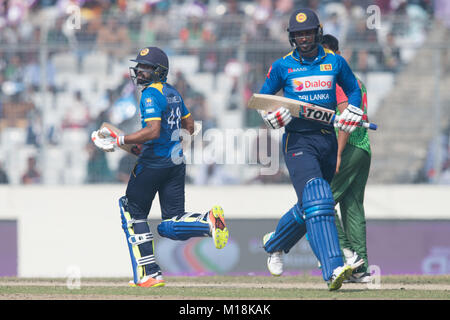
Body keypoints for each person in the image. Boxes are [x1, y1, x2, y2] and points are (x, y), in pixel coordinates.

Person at [91, 47, 229, 288]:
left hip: (153, 162)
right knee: (170, 222)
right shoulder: (173, 92)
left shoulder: (150, 95)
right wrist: (174, 143)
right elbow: (190, 125)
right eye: (139, 67)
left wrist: (120, 140)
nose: (140, 72)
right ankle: (208, 221)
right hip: (175, 163)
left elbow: (153, 131)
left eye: (146, 68)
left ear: (159, 71)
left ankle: (149, 273)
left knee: (132, 211)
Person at [258, 8, 364, 291]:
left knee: (310, 205)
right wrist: (271, 115)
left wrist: (354, 109)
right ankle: (333, 267)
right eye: (298, 34)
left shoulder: (335, 62)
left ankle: (275, 243)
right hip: (298, 141)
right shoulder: (282, 66)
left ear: (317, 32)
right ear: (292, 37)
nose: (304, 38)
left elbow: (353, 90)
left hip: (326, 140)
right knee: (319, 199)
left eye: (308, 32)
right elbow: (263, 98)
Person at [322, 34, 372, 283]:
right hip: (363, 149)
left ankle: (347, 254)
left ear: (335, 53)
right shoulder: (355, 78)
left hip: (348, 147)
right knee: (352, 207)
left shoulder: (335, 76)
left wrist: (338, 154)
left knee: (321, 203)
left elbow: (345, 122)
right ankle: (360, 269)